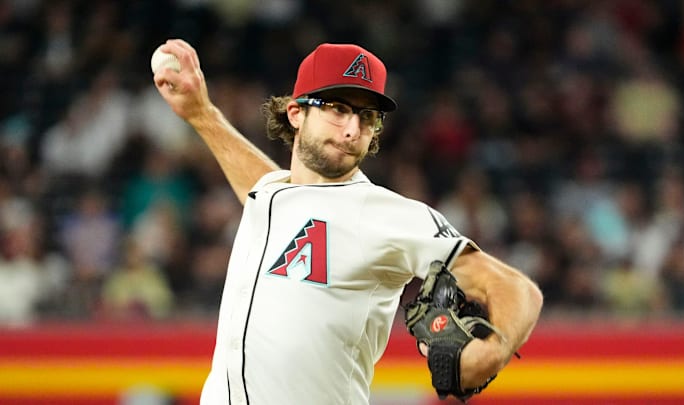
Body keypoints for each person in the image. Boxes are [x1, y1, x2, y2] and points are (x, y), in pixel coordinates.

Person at [153, 39, 543, 405]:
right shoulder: (271, 191)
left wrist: (492, 351)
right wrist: (202, 115)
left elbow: (517, 289)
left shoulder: (381, 214)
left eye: (367, 116)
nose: (353, 129)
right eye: (338, 108)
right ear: (296, 113)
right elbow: (262, 186)